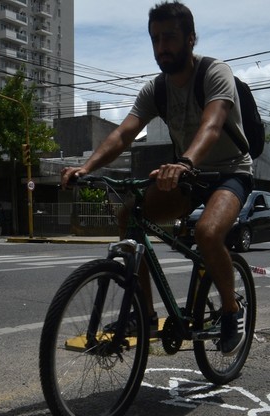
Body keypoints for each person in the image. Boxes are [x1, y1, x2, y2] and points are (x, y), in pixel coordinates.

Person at [60, 1, 253, 354]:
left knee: (208, 233)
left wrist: (185, 162)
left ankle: (230, 309)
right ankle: (145, 315)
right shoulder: (156, 89)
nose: (162, 47)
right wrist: (87, 168)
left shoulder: (214, 72)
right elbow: (123, 133)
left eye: (170, 38)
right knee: (129, 215)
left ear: (191, 39)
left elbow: (212, 124)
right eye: (155, 39)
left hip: (230, 171)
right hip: (188, 174)